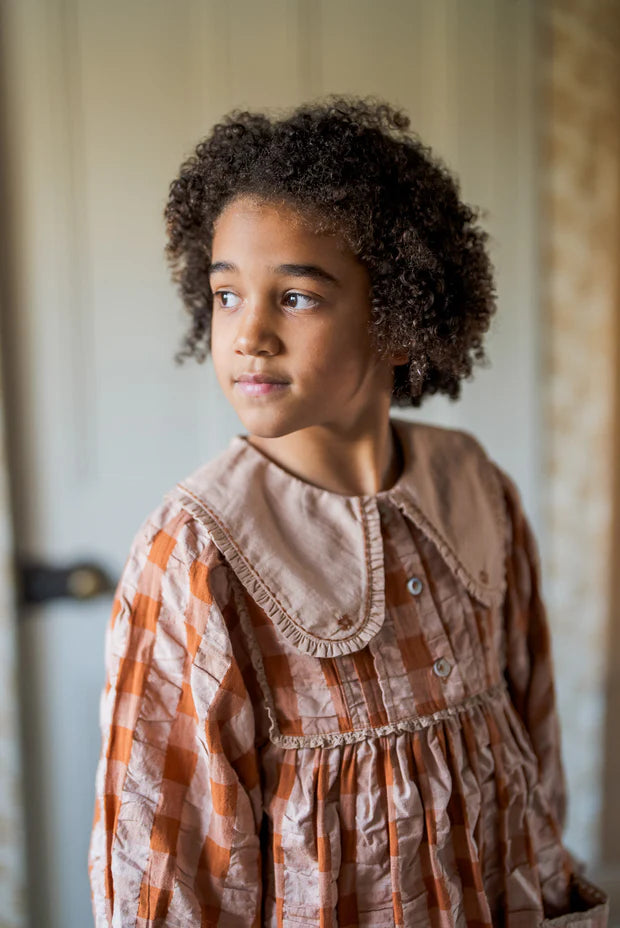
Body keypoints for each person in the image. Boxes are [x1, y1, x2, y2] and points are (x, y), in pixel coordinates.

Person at [87, 95, 609, 927]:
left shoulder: (475, 487)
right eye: (226, 296)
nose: (249, 333)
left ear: (398, 320)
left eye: (296, 296)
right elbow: (167, 868)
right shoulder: (196, 550)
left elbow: (531, 743)